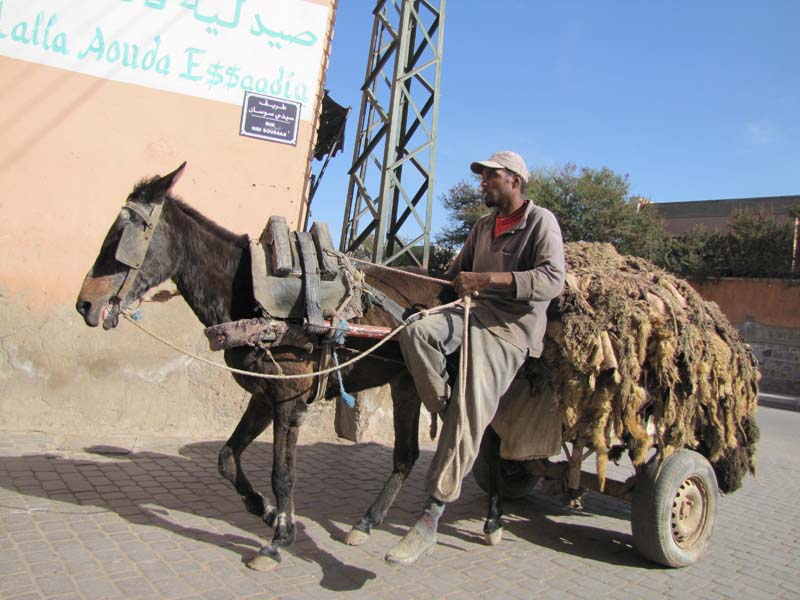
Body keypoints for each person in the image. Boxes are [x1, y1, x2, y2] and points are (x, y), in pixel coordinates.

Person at [386, 150, 566, 565]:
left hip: (509, 331)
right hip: (468, 315)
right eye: (482, 176)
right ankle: (448, 407)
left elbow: (552, 279)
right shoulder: (482, 227)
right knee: (415, 331)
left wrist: (488, 279)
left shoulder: (541, 223)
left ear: (515, 182)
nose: (482, 182)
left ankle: (430, 517)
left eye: (491, 176)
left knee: (470, 407)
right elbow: (456, 275)